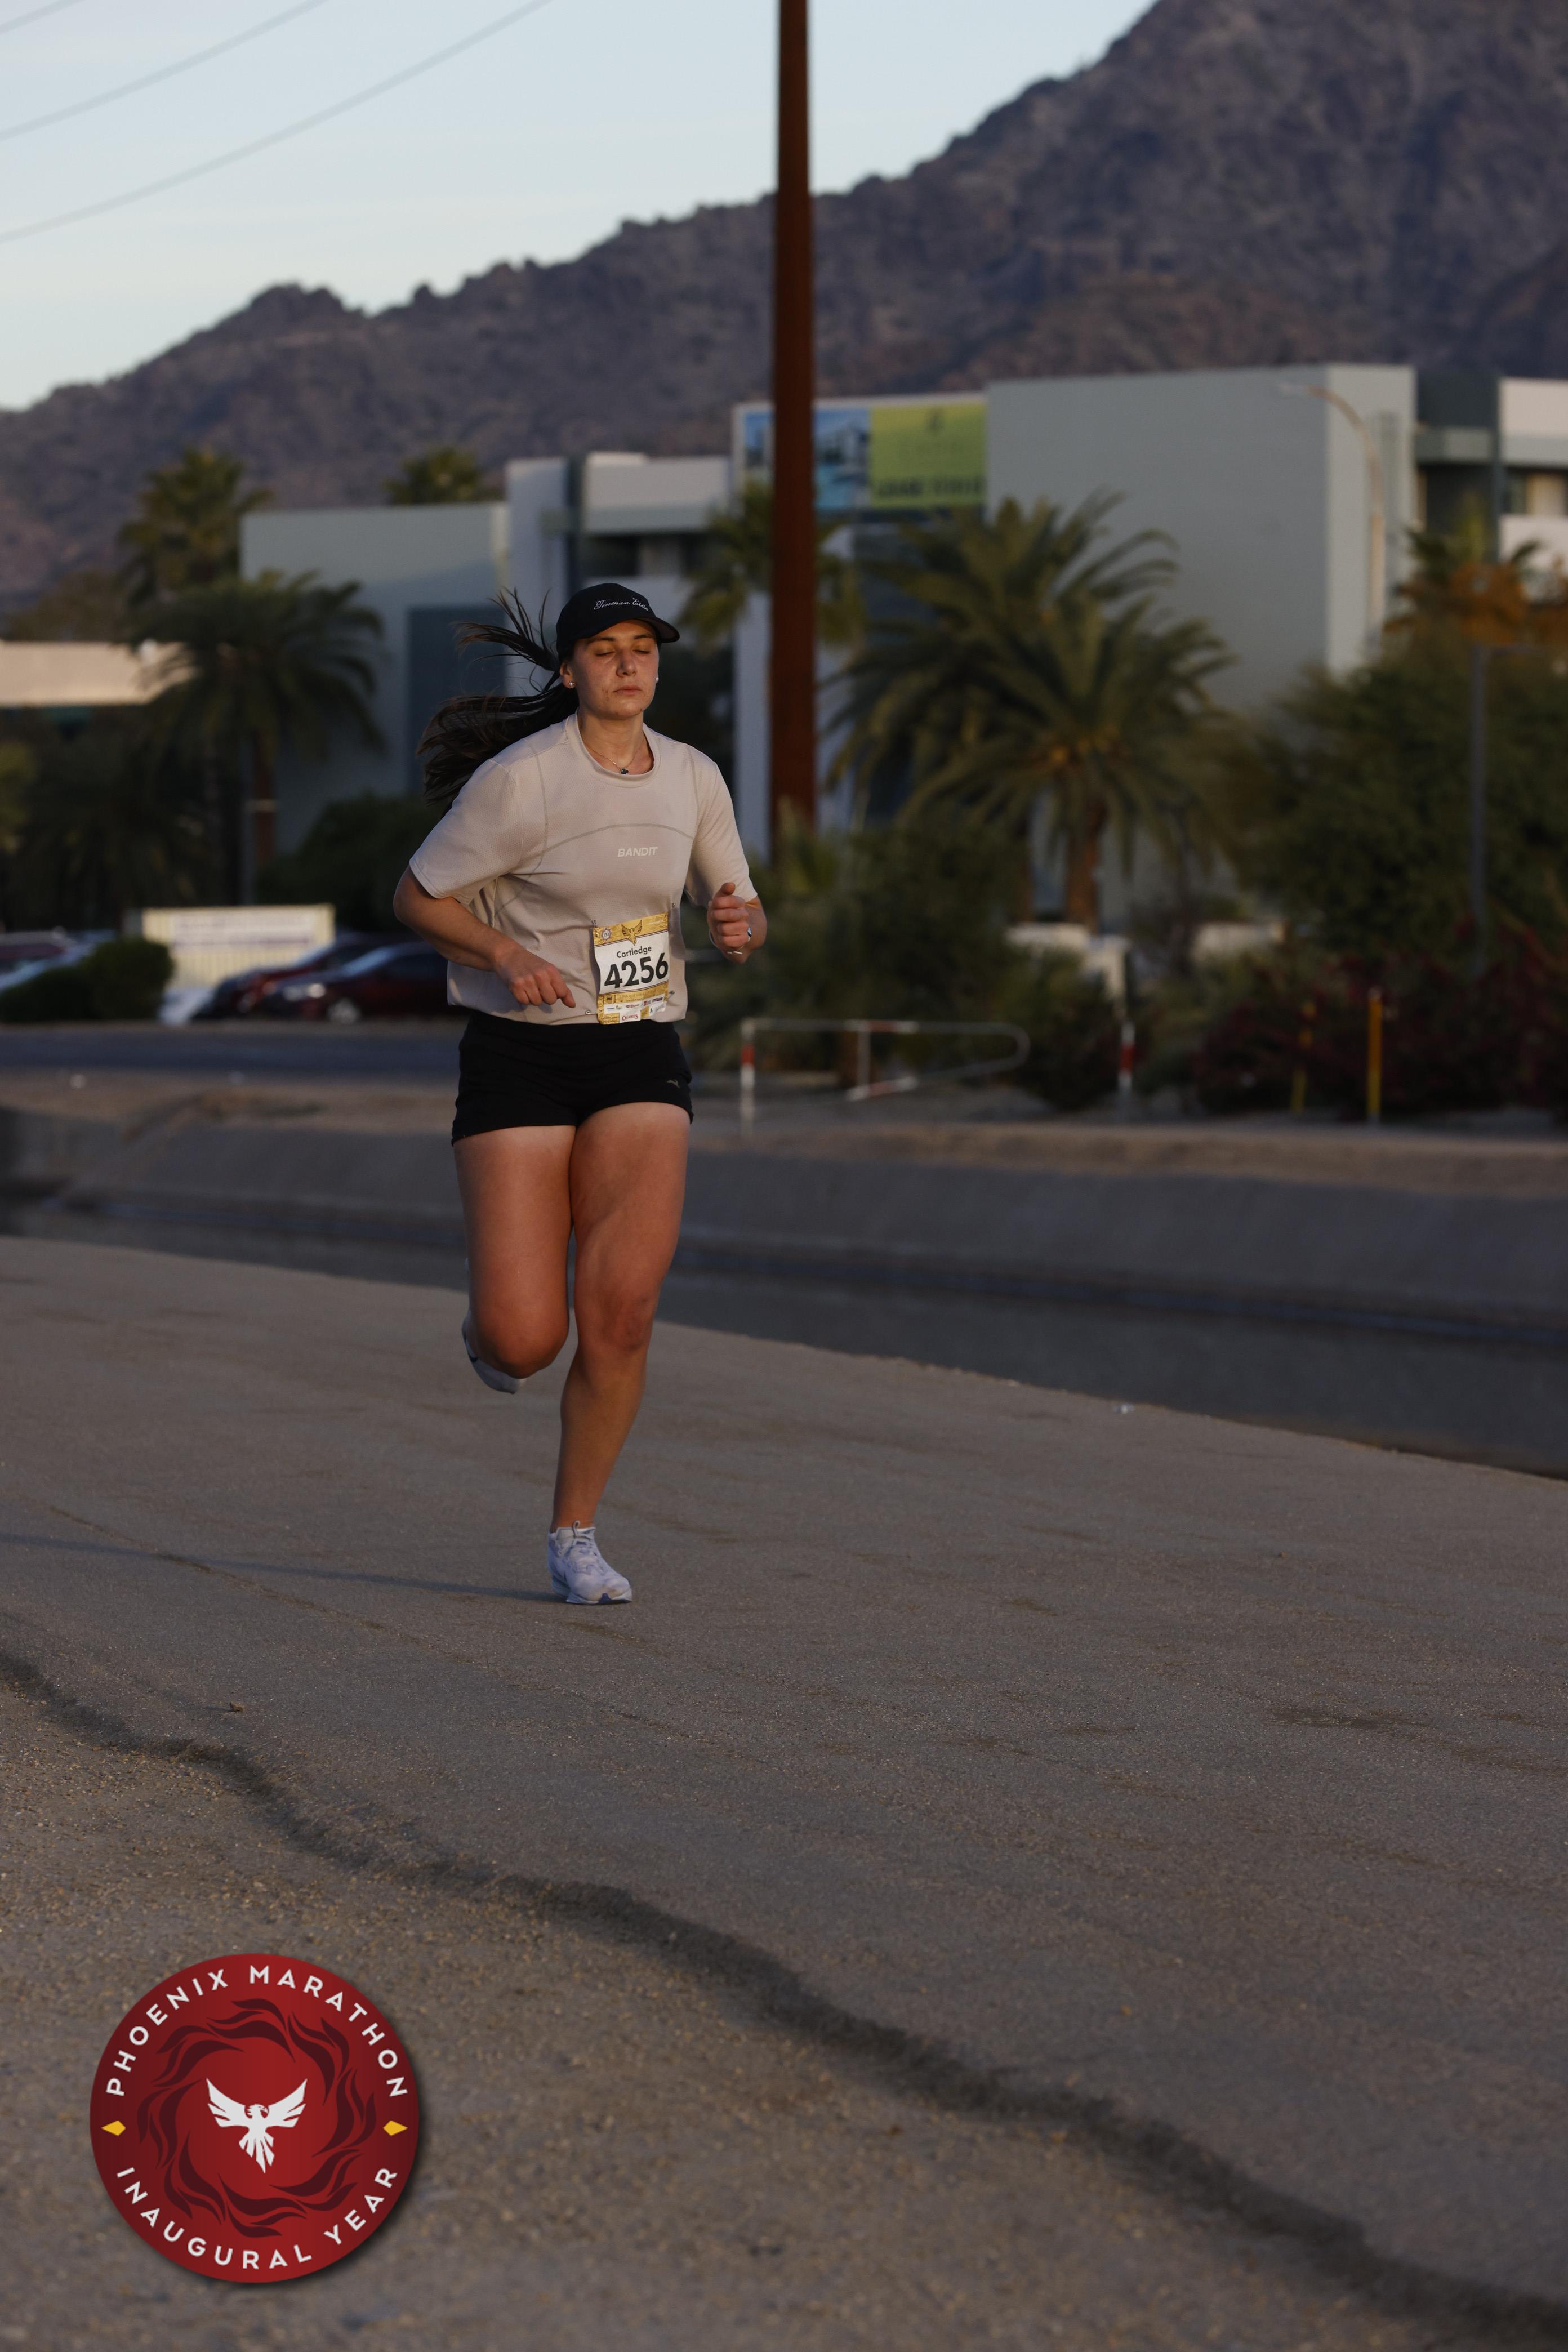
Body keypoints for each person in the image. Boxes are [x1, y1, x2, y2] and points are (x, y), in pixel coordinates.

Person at [393, 584, 765, 1605]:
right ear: (569, 671)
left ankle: (575, 1536)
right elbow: (416, 896)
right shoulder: (522, 782)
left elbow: (736, 901)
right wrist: (504, 953)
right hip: (520, 1054)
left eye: (644, 647)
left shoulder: (692, 775)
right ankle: (488, 1330)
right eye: (606, 649)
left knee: (624, 1313)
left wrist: (740, 927)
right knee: (526, 1339)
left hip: (638, 1047)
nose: (630, 664)